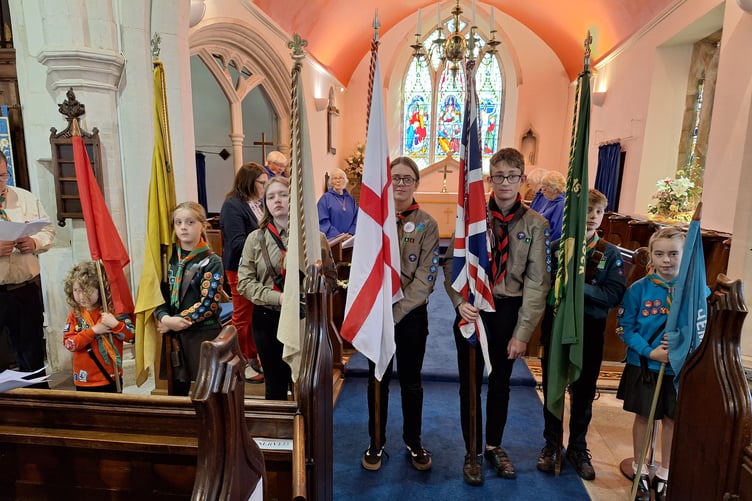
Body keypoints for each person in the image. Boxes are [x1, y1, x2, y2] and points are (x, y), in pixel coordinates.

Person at [443, 147, 550, 486]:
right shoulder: (471, 218)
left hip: (507, 312)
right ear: (488, 178)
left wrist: (522, 333)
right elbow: (451, 263)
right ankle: (472, 450)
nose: (505, 183)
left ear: (522, 180)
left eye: (512, 176)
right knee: (469, 385)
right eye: (499, 176)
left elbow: (537, 283)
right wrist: (460, 301)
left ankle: (493, 444)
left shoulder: (536, 224)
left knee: (501, 384)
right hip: (474, 310)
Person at [537, 189, 626, 480]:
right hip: (557, 328)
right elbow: (545, 286)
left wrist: (576, 286)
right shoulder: (555, 249)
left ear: (603, 215)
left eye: (597, 212)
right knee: (553, 387)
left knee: (584, 391)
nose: (590, 217)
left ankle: (577, 446)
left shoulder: (608, 252)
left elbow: (612, 294)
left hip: (590, 330)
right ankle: (551, 444)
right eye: (585, 211)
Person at [361, 157, 440, 472]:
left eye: (408, 178)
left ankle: (413, 440)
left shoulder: (427, 224)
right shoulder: (372, 221)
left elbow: (426, 278)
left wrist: (394, 313)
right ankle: (376, 442)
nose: (402, 184)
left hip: (409, 317)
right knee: (376, 379)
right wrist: (376, 310)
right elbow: (364, 268)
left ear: (417, 184)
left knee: (411, 381)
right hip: (376, 314)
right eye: (396, 178)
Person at [237, 177, 336, 400]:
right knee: (275, 386)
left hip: (305, 318)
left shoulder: (315, 238)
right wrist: (279, 299)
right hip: (268, 318)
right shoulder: (255, 239)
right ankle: (279, 434)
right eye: (271, 197)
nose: (277, 200)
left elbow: (331, 280)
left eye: (283, 194)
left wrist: (309, 293)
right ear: (265, 204)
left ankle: (307, 432)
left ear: (294, 200)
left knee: (306, 384)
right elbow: (244, 283)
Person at [616, 226, 686, 501]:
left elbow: (700, 324)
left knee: (671, 419)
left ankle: (666, 473)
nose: (666, 260)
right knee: (644, 416)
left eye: (673, 254)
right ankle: (640, 467)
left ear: (684, 255)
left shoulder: (692, 292)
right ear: (651, 257)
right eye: (660, 254)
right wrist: (649, 351)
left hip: (676, 368)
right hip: (645, 365)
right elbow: (624, 328)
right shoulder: (638, 290)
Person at [156, 201, 225, 396]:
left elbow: (209, 303)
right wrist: (164, 317)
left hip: (202, 334)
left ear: (203, 225)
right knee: (176, 390)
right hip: (174, 332)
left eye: (190, 222)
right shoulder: (168, 258)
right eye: (178, 223)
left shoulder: (211, 261)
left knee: (208, 391)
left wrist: (178, 321)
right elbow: (159, 293)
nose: (183, 227)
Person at [0, 150, 55, 385]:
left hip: (24, 289)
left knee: (31, 353)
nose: (0, 182)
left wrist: (34, 242)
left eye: (2, 176)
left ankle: (39, 408)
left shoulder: (25, 198)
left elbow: (48, 230)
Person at [219, 162, 268, 383]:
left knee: (257, 316)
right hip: (239, 268)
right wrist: (266, 240)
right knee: (243, 317)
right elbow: (237, 242)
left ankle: (256, 356)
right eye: (262, 183)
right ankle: (244, 362)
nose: (265, 188)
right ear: (249, 181)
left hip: (258, 269)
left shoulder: (257, 204)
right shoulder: (233, 205)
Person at [62, 261, 135, 392]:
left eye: (87, 291)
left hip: (110, 378)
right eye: (76, 290)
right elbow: (69, 344)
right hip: (85, 380)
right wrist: (93, 331)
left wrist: (115, 325)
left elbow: (132, 337)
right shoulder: (76, 315)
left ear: (101, 289)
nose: (81, 296)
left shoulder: (112, 311)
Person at [317, 167, 358, 239]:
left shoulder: (350, 199)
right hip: (332, 241)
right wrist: (338, 236)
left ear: (345, 180)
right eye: (335, 178)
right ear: (331, 182)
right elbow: (322, 221)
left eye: (341, 178)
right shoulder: (325, 199)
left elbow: (356, 218)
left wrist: (351, 233)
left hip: (349, 240)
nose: (338, 181)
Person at [538, 170, 566, 241]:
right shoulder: (551, 200)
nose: (542, 192)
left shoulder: (561, 205)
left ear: (555, 190)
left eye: (544, 189)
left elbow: (556, 233)